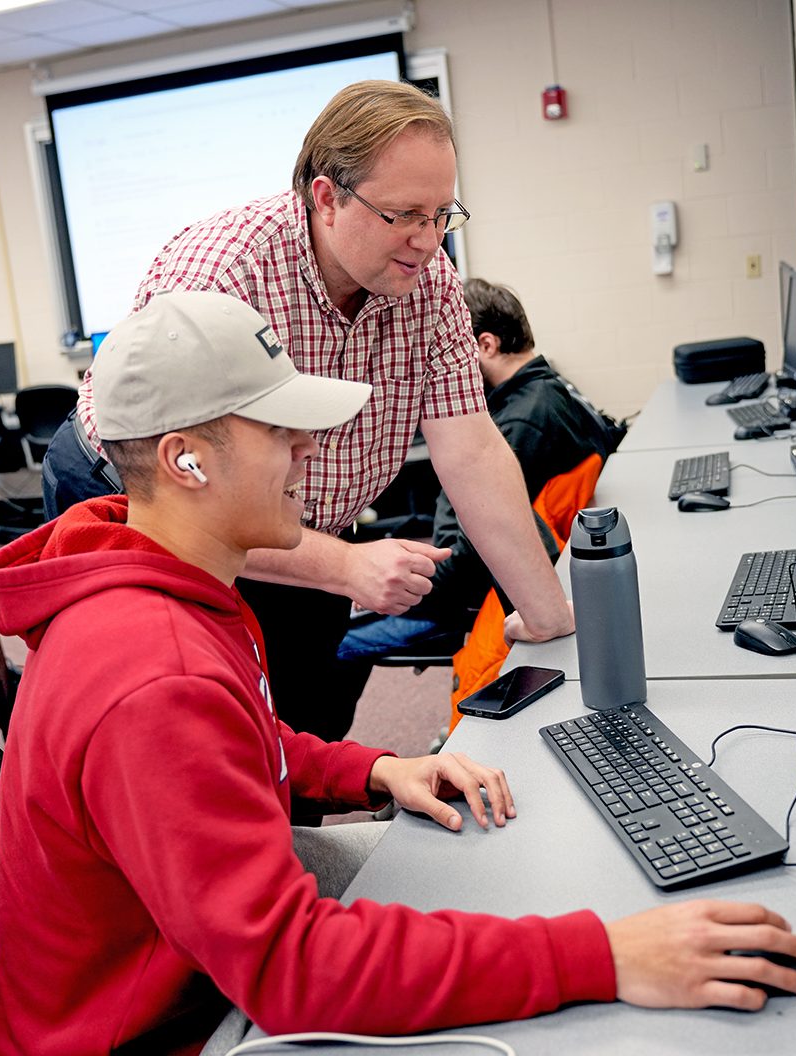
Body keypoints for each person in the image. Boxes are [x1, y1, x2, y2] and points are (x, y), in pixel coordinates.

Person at [0, 291, 796, 1056]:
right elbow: (294, 971)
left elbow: (237, 741)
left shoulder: (160, 580)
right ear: (185, 459)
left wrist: (371, 767)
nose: (312, 446)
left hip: (194, 968)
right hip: (163, 1031)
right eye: (279, 430)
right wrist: (603, 956)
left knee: (488, 883)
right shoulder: (152, 671)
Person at [41, 79, 574, 743]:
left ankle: (289, 829)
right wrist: (343, 566)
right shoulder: (226, 275)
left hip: (291, 514)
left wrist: (549, 614)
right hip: (141, 495)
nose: (428, 239)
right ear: (327, 197)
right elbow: (192, 498)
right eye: (405, 214)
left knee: (304, 717)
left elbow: (471, 448)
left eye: (443, 214)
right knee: (186, 721)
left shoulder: (426, 280)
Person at [338, 278, 625, 664]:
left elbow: (475, 555)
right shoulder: (551, 391)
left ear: (486, 345)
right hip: (477, 576)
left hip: (462, 598)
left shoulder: (521, 424)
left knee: (333, 643)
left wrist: (392, 589)